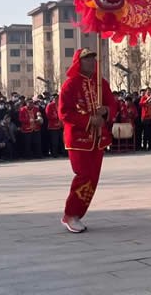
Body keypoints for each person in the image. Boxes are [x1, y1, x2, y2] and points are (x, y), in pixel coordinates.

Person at [58, 48, 118, 233]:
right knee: (83, 175)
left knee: (93, 178)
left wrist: (106, 111)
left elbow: (113, 104)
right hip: (78, 139)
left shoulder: (101, 83)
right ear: (79, 62)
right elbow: (64, 113)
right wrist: (89, 120)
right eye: (87, 59)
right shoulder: (70, 85)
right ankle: (70, 214)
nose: (92, 62)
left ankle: (77, 214)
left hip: (98, 139)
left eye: (93, 59)